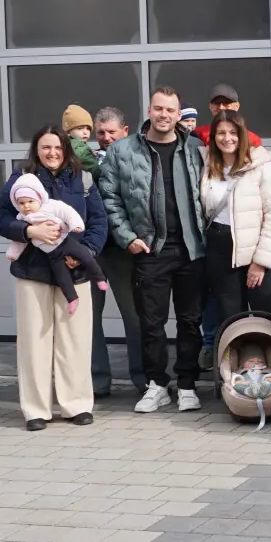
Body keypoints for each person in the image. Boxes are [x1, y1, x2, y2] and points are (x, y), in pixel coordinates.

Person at [97, 86, 207, 415]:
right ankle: (157, 384)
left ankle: (187, 384)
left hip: (191, 249)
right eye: (158, 108)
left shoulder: (196, 149)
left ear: (178, 114)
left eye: (170, 110)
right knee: (151, 322)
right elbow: (110, 199)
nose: (164, 115)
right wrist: (127, 237)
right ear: (149, 110)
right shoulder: (123, 152)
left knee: (190, 322)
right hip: (150, 249)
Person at [0, 127, 108, 431]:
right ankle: (36, 410)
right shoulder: (20, 179)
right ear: (36, 149)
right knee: (35, 341)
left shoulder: (81, 178)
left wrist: (86, 250)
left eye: (57, 147)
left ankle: (77, 405)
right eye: (45, 147)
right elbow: (1, 218)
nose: (52, 153)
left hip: (75, 271)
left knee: (75, 341)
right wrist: (28, 232)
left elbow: (98, 220)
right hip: (33, 272)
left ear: (66, 149)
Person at [200, 110, 271, 334]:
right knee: (230, 318)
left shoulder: (261, 166)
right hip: (220, 249)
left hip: (256, 249)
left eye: (233, 132)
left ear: (242, 135)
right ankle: (235, 367)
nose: (227, 138)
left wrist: (260, 262)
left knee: (270, 316)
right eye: (220, 133)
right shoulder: (207, 165)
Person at [91, 107, 145, 396]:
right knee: (89, 317)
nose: (107, 137)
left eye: (112, 131)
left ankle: (143, 378)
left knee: (134, 315)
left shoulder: (136, 160)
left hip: (123, 250)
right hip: (91, 251)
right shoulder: (84, 163)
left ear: (126, 131)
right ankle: (97, 382)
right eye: (101, 132)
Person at [5, 173, 108, 314]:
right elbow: (18, 240)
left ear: (38, 198)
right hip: (51, 254)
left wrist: (76, 225)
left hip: (65, 243)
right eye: (21, 203)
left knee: (85, 256)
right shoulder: (22, 217)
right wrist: (14, 252)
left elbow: (68, 212)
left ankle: (100, 278)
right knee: (62, 277)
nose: (26, 206)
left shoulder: (50, 206)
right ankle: (72, 299)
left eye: (30, 201)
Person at [189, 84, 263, 148]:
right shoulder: (198, 134)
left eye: (226, 103)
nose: (221, 107)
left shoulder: (251, 138)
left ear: (237, 106)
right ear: (210, 107)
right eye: (217, 103)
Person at [64, 105, 100, 174]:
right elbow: (95, 170)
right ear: (68, 132)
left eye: (88, 128)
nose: (85, 132)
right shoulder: (81, 150)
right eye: (80, 128)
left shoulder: (71, 145)